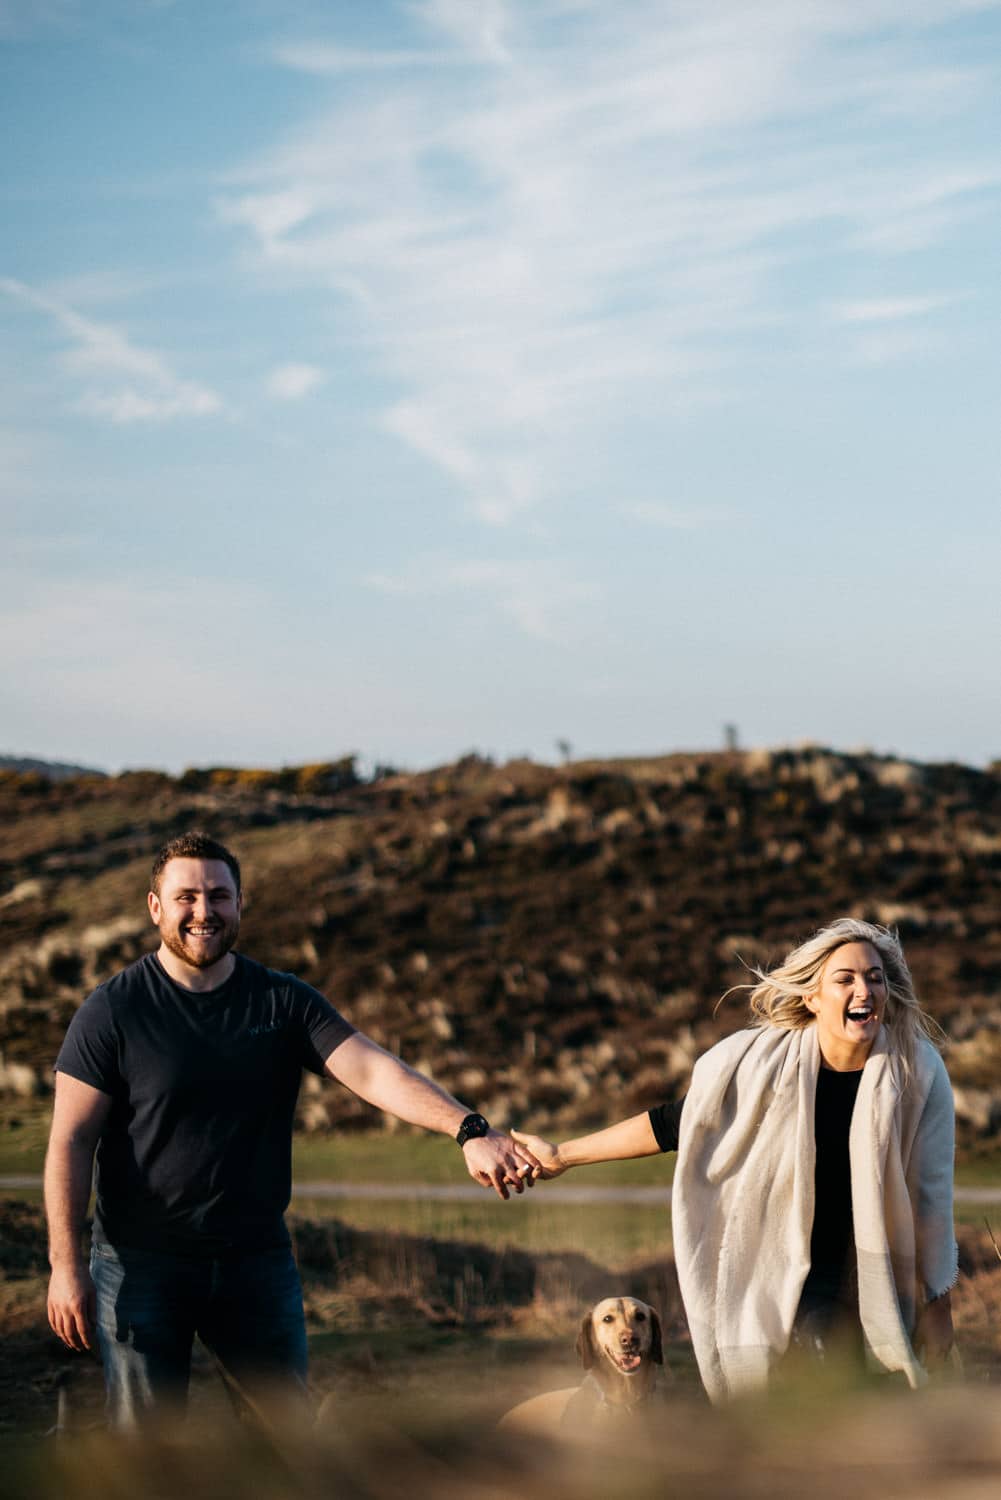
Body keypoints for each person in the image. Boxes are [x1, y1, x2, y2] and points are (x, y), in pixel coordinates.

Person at [45, 831, 539, 1428]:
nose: (204, 912)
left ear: (240, 903)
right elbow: (71, 1141)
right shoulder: (113, 1011)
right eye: (186, 898)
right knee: (147, 1449)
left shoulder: (281, 1002)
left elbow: (374, 1070)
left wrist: (468, 1128)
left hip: (253, 1261)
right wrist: (66, 1266)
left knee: (285, 1443)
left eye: (219, 896)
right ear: (155, 907)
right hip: (141, 1264)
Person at [513, 917, 956, 1401]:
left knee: (866, 1410)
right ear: (811, 997)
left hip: (873, 1270)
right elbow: (671, 1125)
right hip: (783, 1266)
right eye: (845, 979)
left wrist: (937, 1305)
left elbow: (929, 1197)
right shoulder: (760, 1070)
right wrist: (563, 1155)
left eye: (875, 977)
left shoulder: (916, 1072)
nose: (864, 990)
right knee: (820, 1384)